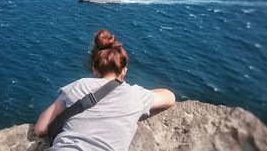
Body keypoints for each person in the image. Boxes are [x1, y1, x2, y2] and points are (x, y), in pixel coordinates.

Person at [34, 29, 175, 150]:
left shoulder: (79, 85)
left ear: (95, 70)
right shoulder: (136, 95)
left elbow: (40, 128)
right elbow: (169, 97)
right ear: (124, 71)